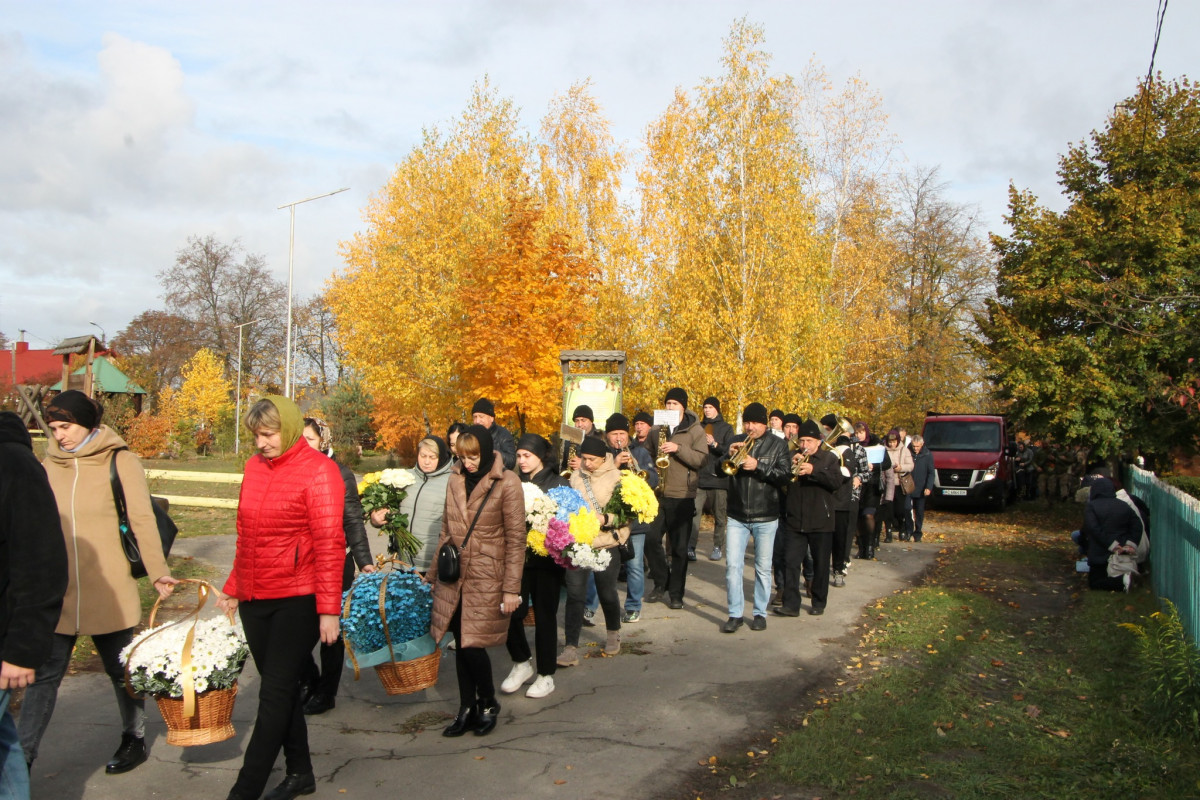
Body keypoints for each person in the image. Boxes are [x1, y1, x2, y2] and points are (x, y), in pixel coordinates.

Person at [19, 391, 178, 776]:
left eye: (66, 426)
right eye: (53, 428)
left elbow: (141, 519)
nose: (59, 435)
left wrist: (157, 570)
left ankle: (134, 737)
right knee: (44, 677)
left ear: (88, 423)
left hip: (109, 588)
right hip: (59, 591)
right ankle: (21, 759)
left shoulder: (119, 460)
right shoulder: (49, 463)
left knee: (121, 670)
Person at [218, 396, 346, 800]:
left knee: (273, 694)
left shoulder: (321, 472)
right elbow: (247, 534)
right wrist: (234, 586)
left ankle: (245, 790)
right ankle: (300, 773)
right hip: (257, 597)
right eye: (256, 435)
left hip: (299, 598)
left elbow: (329, 544)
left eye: (268, 434)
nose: (261, 443)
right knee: (285, 691)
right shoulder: (254, 468)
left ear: (288, 430)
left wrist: (328, 611)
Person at [427, 426, 525, 737]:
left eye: (473, 456)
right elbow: (446, 530)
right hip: (454, 575)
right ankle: (466, 706)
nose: (468, 463)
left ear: (484, 451)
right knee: (460, 642)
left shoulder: (507, 482)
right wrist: (431, 576)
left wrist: (511, 588)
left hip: (487, 574)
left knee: (472, 644)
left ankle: (487, 702)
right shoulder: (454, 479)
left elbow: (516, 540)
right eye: (462, 456)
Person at [0, 412, 68, 798]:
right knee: (6, 746)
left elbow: (41, 561)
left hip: (6, 634)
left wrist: (24, 649)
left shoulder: (14, 464)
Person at [299, 417, 377, 716]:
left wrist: (364, 561)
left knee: (332, 631)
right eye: (300, 439)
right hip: (303, 562)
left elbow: (353, 519)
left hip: (335, 561)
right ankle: (308, 680)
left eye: (310, 439)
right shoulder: (297, 470)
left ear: (324, 440)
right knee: (298, 626)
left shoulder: (339, 473)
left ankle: (326, 692)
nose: (304, 445)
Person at [500, 434, 567, 699]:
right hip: (516, 561)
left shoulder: (557, 483)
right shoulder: (513, 482)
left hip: (546, 562)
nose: (522, 461)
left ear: (541, 456)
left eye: (527, 455)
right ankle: (521, 663)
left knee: (544, 616)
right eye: (518, 456)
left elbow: (569, 522)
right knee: (509, 612)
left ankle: (546, 674)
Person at [559, 436, 631, 666]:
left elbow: (627, 513)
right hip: (579, 543)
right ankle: (570, 647)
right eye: (584, 459)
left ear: (603, 458)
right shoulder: (576, 475)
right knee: (575, 595)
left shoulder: (617, 477)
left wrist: (606, 518)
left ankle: (612, 633)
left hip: (606, 544)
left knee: (607, 592)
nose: (587, 463)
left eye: (592, 460)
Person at [721, 403, 790, 633]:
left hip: (766, 515)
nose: (750, 427)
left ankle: (759, 612)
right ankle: (735, 613)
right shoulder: (737, 439)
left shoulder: (778, 444)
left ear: (765, 423)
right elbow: (718, 469)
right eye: (747, 423)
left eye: (755, 423)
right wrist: (727, 455)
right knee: (732, 566)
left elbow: (784, 476)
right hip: (737, 514)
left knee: (762, 567)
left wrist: (758, 466)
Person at [775, 420, 844, 617]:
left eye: (809, 441)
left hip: (821, 520)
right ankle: (791, 604)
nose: (805, 445)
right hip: (795, 519)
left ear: (818, 441)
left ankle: (819, 602)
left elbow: (836, 482)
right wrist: (790, 467)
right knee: (791, 562)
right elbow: (781, 481)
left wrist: (814, 471)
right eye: (802, 440)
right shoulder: (792, 456)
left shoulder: (829, 458)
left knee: (821, 564)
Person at [656, 388, 708, 610]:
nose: (670, 407)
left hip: (682, 495)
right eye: (667, 403)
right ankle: (662, 582)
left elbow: (701, 460)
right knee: (650, 540)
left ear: (683, 407)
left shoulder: (695, 430)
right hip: (657, 495)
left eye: (674, 404)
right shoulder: (657, 428)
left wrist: (678, 448)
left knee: (678, 548)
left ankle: (676, 594)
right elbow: (647, 454)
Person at [602, 414, 657, 622]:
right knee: (604, 565)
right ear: (607, 436)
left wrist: (641, 472)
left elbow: (654, 480)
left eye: (622, 434)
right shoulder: (603, 455)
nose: (619, 439)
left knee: (634, 565)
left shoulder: (641, 452)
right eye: (614, 434)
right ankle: (595, 605)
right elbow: (598, 482)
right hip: (610, 519)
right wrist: (614, 465)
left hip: (635, 520)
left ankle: (633, 606)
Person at [371, 436, 453, 571]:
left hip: (432, 564)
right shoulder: (404, 478)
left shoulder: (451, 481)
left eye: (432, 457)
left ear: (442, 457)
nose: (426, 462)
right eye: (423, 456)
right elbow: (389, 509)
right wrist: (376, 518)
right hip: (402, 562)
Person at [1078, 477, 1144, 591]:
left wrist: (1111, 544)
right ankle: (1127, 578)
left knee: (1095, 582)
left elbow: (1093, 528)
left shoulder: (1092, 506)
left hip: (1100, 552)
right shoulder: (1123, 505)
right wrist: (1131, 543)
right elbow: (1137, 525)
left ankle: (1123, 581)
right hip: (1121, 551)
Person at [690, 397, 734, 562]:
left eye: (710, 407)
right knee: (694, 514)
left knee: (720, 516)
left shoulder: (726, 428)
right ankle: (691, 547)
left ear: (717, 409)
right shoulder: (698, 427)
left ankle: (717, 546)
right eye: (705, 407)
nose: (707, 410)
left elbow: (730, 451)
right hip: (700, 478)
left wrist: (715, 444)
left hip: (718, 479)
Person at [470, 399, 516, 470]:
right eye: (475, 417)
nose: (477, 421)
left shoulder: (503, 434)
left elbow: (511, 461)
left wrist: (489, 451)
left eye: (481, 417)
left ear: (491, 418)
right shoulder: (470, 435)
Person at [885, 429, 914, 541]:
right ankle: (888, 532)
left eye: (894, 442)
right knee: (888, 509)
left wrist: (901, 468)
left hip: (899, 483)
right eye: (890, 442)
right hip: (888, 484)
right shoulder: (884, 451)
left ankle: (902, 528)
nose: (892, 444)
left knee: (900, 510)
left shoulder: (905, 451)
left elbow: (910, 466)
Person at [560, 404, 605, 474]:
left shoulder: (602, 437)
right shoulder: (568, 439)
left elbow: (607, 465)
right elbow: (562, 464)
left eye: (583, 420)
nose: (579, 424)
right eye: (577, 421)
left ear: (591, 421)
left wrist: (583, 465)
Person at [908, 434, 935, 542]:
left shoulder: (928, 455)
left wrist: (928, 487)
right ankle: (908, 531)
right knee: (906, 509)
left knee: (919, 511)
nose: (915, 449)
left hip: (921, 488)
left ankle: (918, 532)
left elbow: (931, 473)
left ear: (922, 445)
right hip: (908, 486)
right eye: (914, 446)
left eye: (918, 446)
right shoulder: (908, 452)